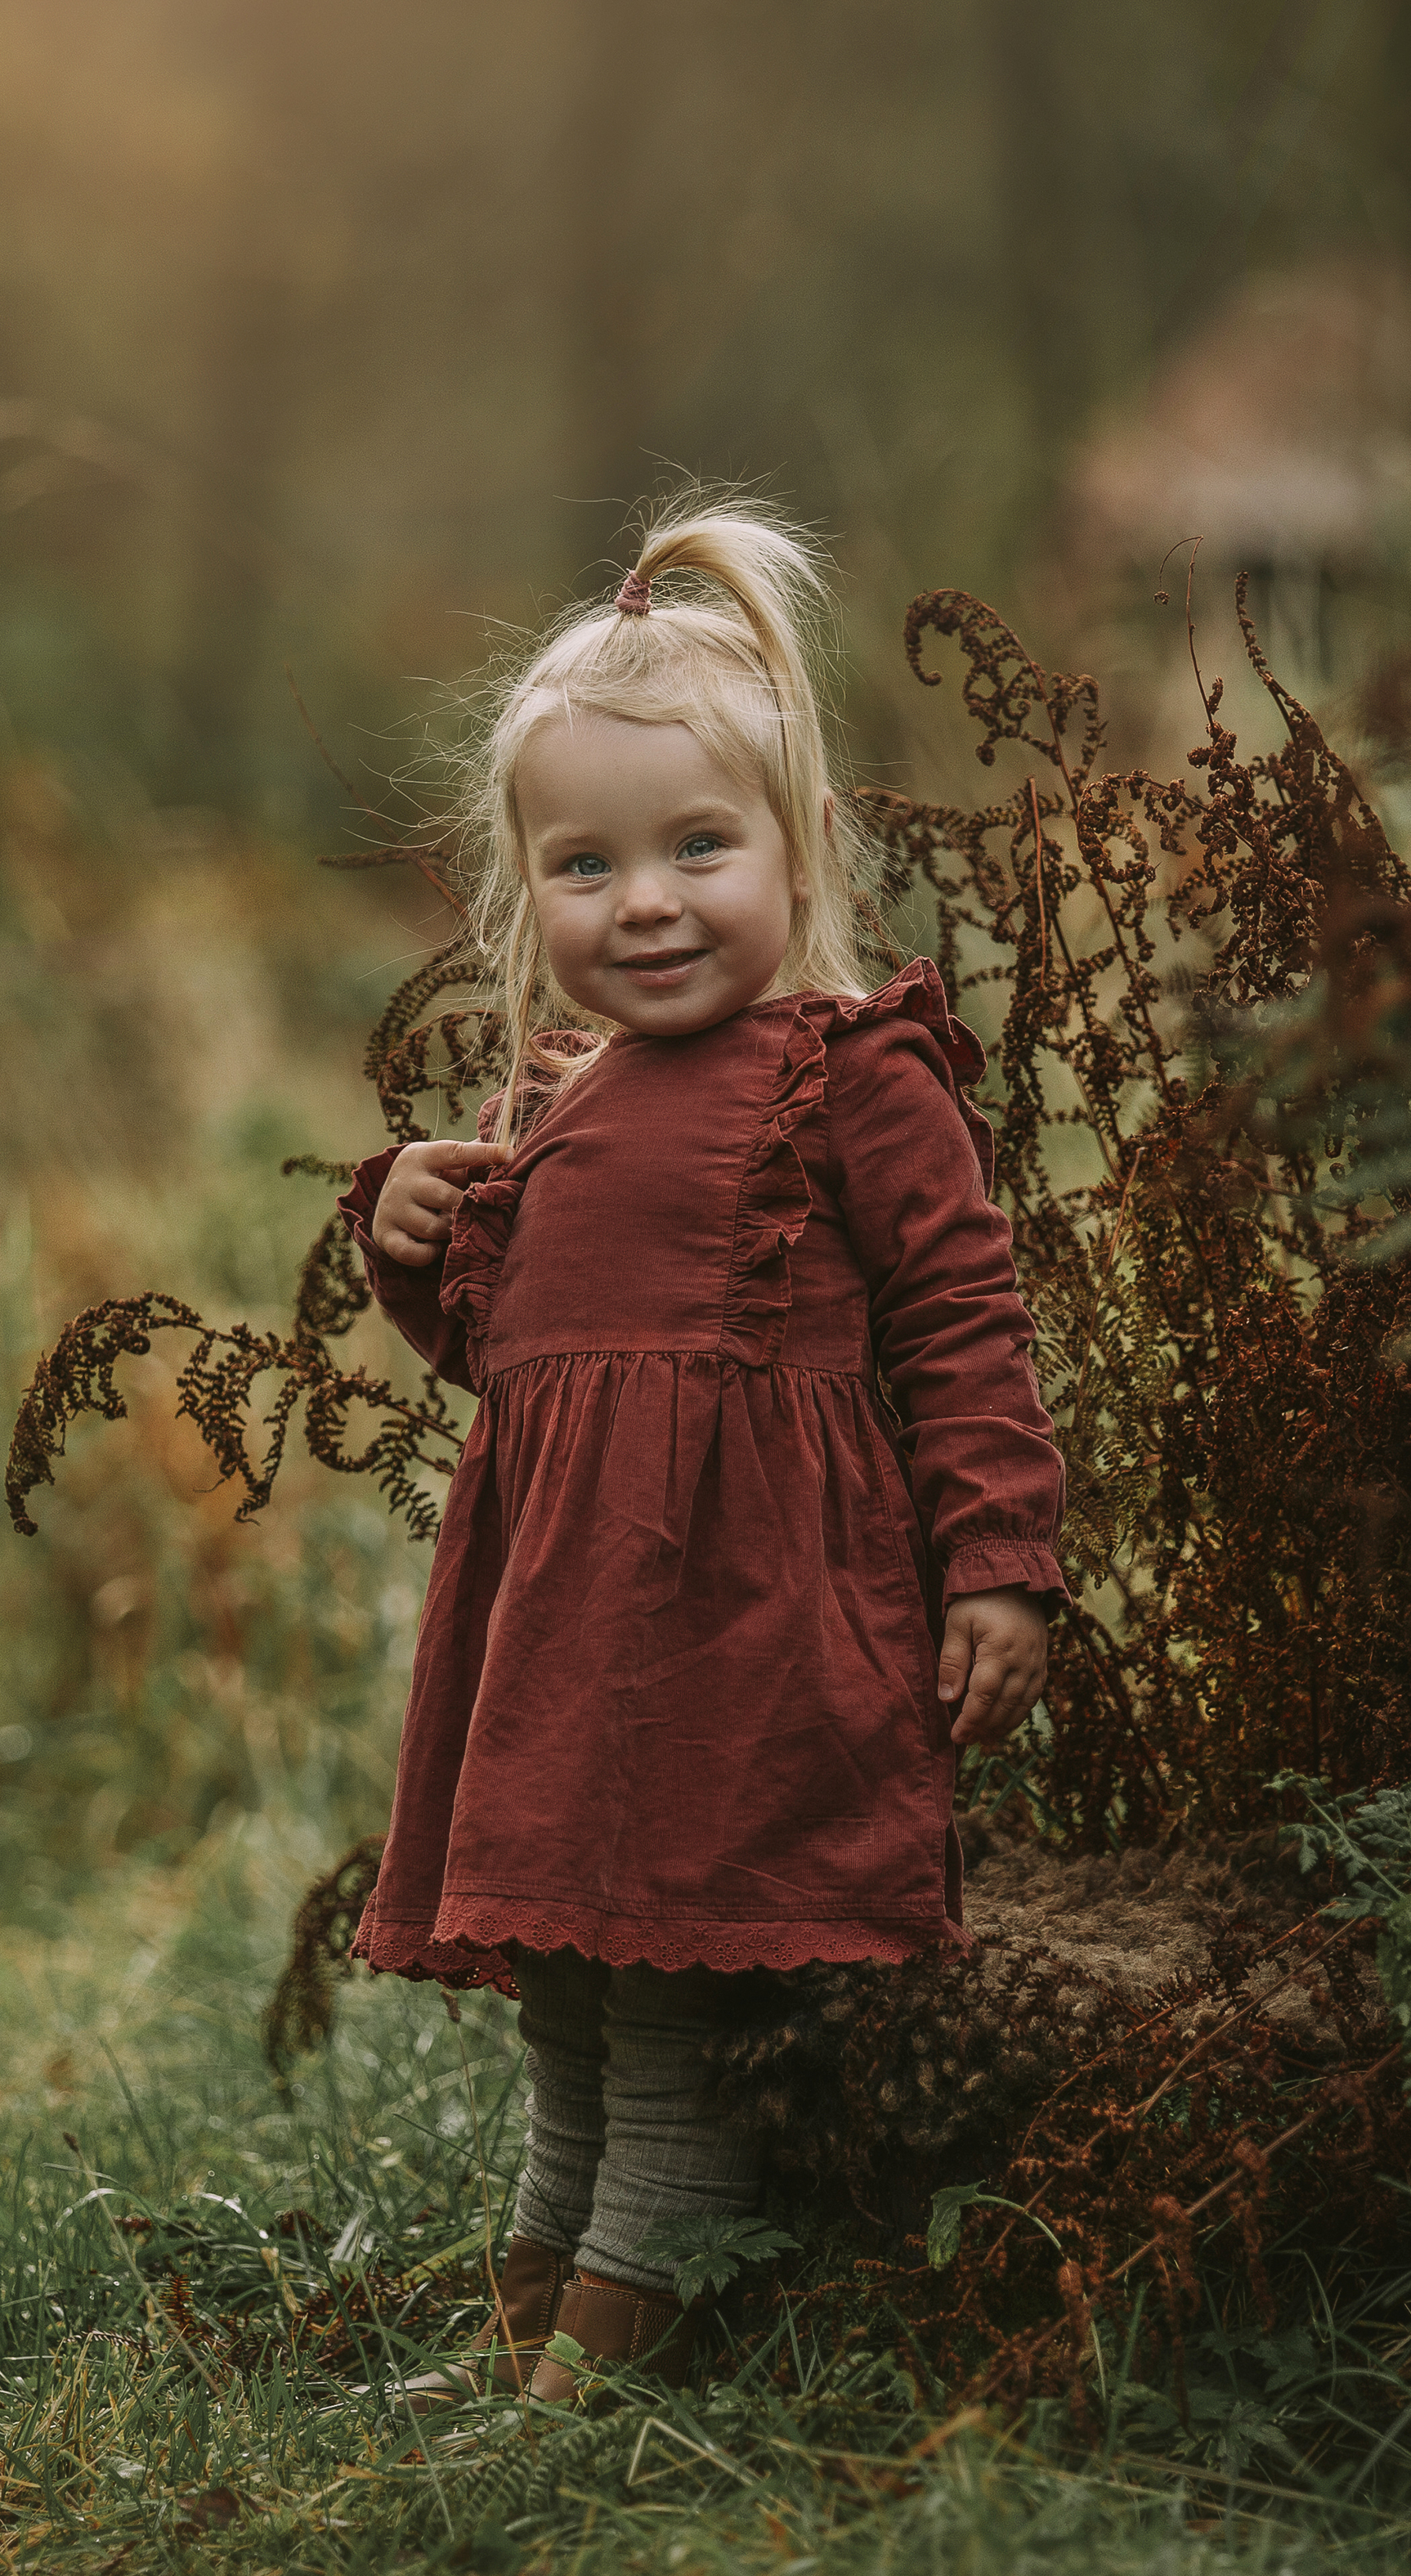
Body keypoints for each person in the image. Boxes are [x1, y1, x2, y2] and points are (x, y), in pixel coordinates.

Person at [335, 501, 1066, 2407]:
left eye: (696, 848)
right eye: (585, 865)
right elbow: (513, 1362)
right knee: (569, 2013)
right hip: (568, 1641)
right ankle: (528, 2333)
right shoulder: (549, 1098)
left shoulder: (853, 1075)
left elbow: (965, 1327)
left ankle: (605, 2372)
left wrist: (999, 1565)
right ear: (523, 891)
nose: (644, 902)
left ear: (799, 846)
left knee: (665, 2014)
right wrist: (405, 1236)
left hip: (736, 1640)